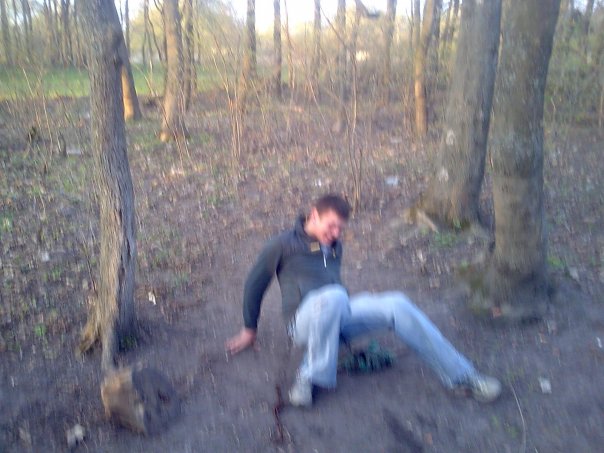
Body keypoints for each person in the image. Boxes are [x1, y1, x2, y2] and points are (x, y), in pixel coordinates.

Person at [226, 194, 501, 407]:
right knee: (334, 296)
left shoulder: (334, 246)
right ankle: (308, 377)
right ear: (314, 215)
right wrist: (249, 329)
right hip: (301, 323)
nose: (336, 233)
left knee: (396, 303)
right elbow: (254, 284)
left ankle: (462, 376)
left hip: (337, 312)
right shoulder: (282, 244)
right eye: (331, 225)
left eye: (340, 228)